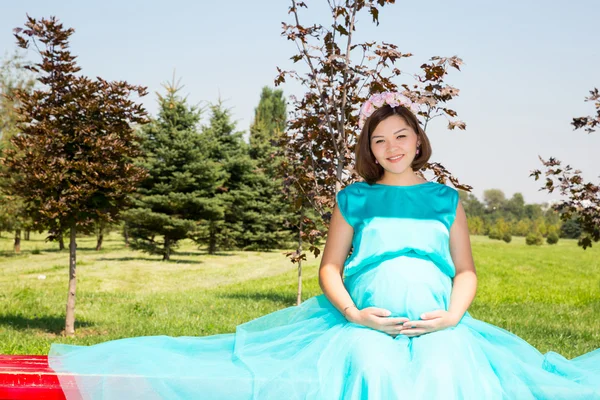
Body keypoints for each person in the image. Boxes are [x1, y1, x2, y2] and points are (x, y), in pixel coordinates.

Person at [49, 92, 600, 399]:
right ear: (370, 148)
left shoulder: (445, 199)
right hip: (362, 324)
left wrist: (453, 317)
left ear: (417, 139)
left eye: (400, 136)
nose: (391, 147)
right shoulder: (354, 198)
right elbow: (330, 268)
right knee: (368, 370)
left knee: (448, 372)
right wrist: (356, 315)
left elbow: (466, 271)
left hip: (437, 321)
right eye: (378, 139)